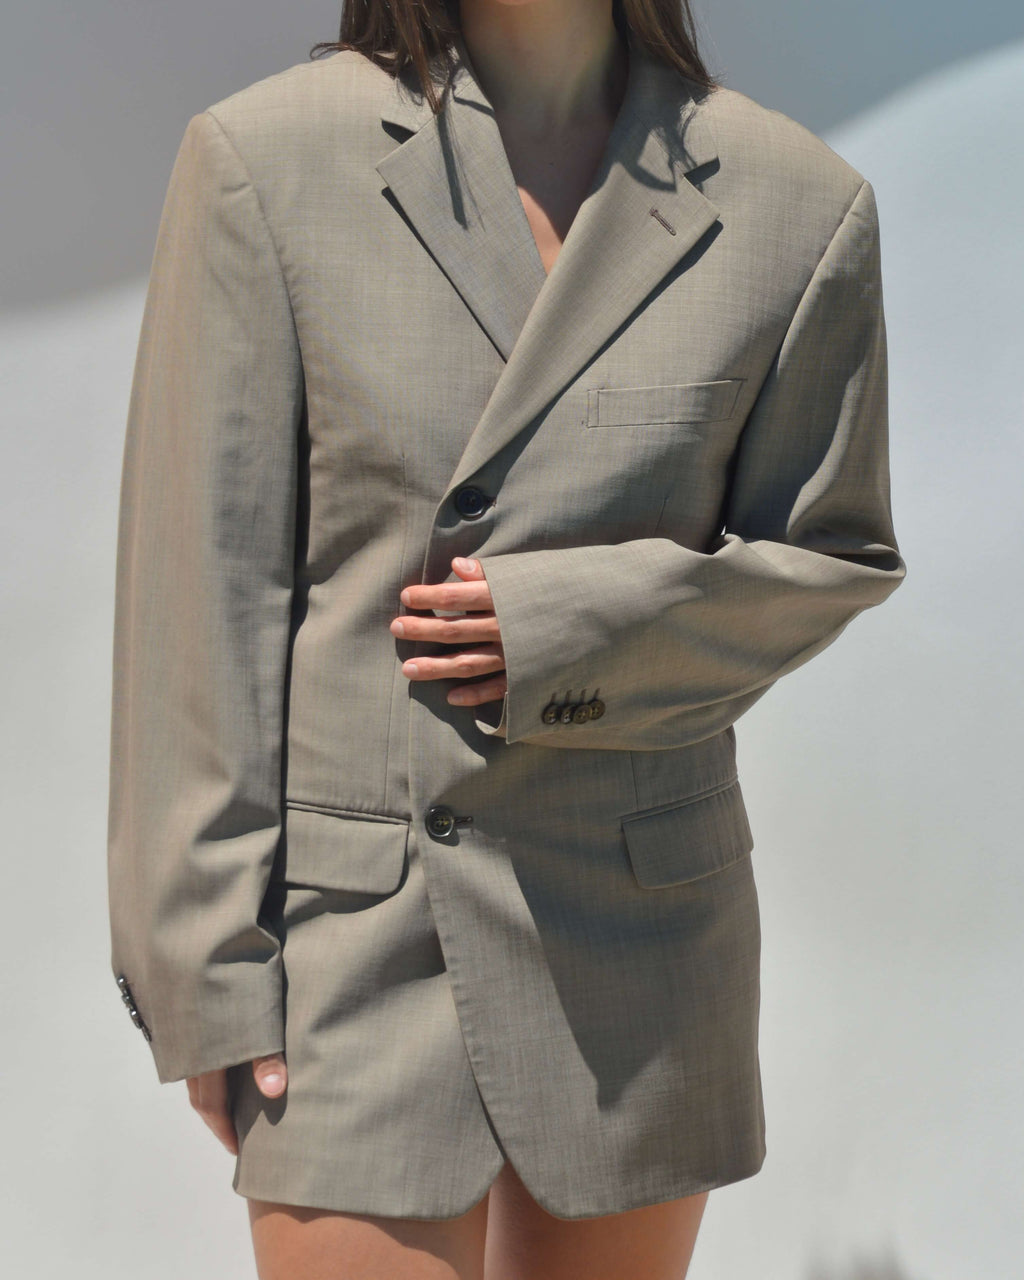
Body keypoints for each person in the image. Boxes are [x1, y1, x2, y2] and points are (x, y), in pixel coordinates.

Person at [106, 0, 906, 1275]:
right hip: (354, 942)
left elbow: (827, 555)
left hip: (635, 946)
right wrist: (204, 965)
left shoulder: (793, 200)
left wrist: (562, 627)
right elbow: (198, 594)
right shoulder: (266, 161)